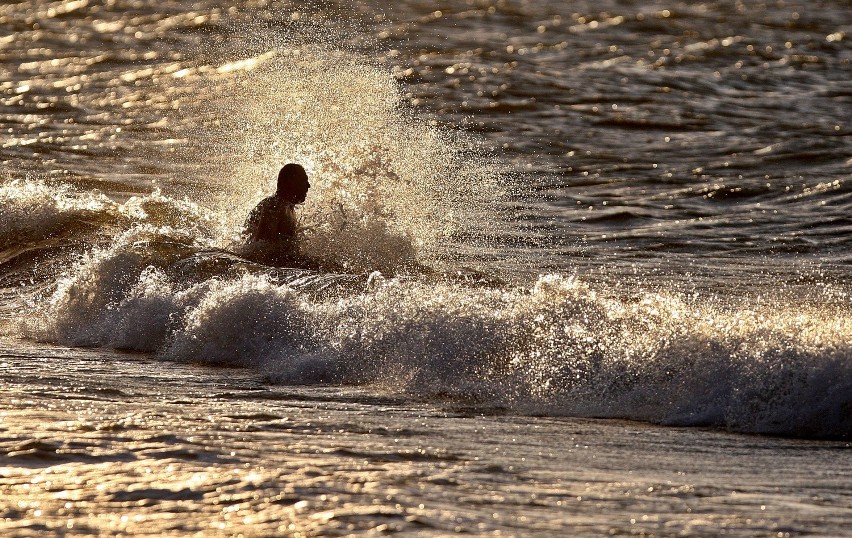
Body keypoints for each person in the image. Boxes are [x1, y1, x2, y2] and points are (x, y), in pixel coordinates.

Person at [243, 163, 311, 264]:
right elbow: (259, 251)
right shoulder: (274, 206)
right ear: (291, 182)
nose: (308, 186)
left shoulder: (287, 207)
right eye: (304, 181)